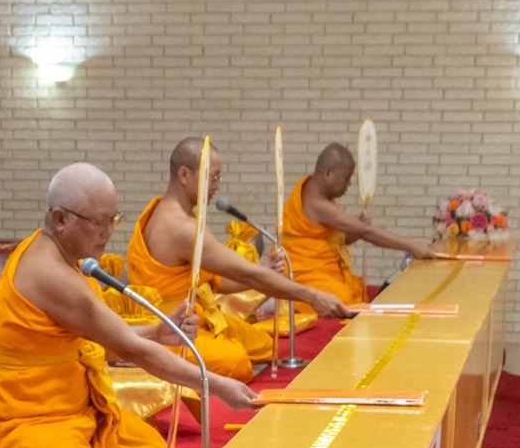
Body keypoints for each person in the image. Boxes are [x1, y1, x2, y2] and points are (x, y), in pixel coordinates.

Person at [0, 163, 259, 448]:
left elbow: (99, 341)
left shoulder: (62, 258)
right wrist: (215, 385)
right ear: (60, 219)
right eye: (99, 222)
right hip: (16, 418)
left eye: (114, 219)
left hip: (67, 407)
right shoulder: (51, 275)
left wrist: (156, 332)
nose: (108, 232)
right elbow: (130, 349)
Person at [127, 138, 354, 380]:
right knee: (237, 363)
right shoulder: (180, 227)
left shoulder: (179, 215)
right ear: (184, 174)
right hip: (172, 327)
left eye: (218, 178)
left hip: (195, 317)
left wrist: (265, 269)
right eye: (213, 177)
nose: (216, 186)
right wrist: (312, 295)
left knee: (263, 345)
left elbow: (220, 283)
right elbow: (246, 273)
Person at [280, 143, 435, 306]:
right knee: (343, 300)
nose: (348, 185)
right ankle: (279, 302)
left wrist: (355, 228)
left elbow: (337, 240)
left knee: (352, 293)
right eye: (346, 178)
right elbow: (366, 232)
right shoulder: (318, 203)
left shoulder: (315, 190)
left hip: (319, 269)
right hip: (302, 271)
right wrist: (412, 246)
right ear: (328, 174)